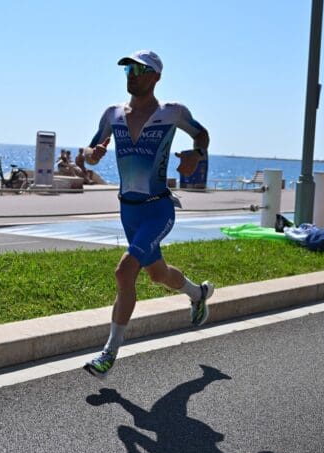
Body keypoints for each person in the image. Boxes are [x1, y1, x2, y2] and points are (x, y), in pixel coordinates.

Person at [81, 49, 213, 379]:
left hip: (158, 208)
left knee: (125, 272)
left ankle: (109, 354)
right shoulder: (112, 114)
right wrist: (93, 154)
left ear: (156, 76)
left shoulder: (172, 112)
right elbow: (89, 149)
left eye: (140, 70)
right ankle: (198, 294)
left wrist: (196, 155)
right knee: (157, 274)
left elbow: (201, 134)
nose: (132, 75)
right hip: (128, 211)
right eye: (128, 69)